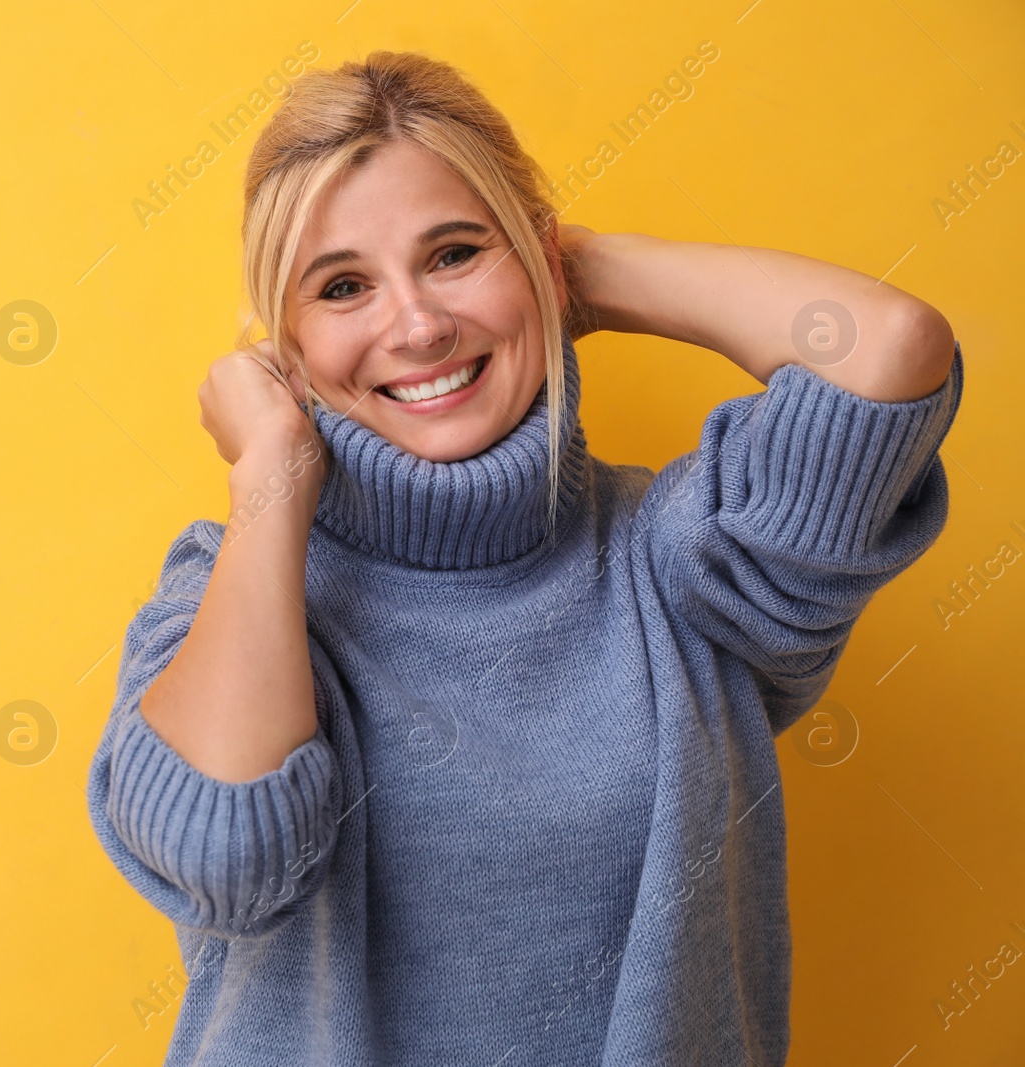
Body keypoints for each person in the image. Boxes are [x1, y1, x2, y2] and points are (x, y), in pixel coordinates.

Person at [86, 49, 962, 1066]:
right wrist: (274, 472)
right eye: (340, 286)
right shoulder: (228, 588)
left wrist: (572, 270)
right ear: (283, 349)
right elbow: (224, 855)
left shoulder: (677, 563)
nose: (415, 325)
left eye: (456, 253)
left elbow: (890, 349)